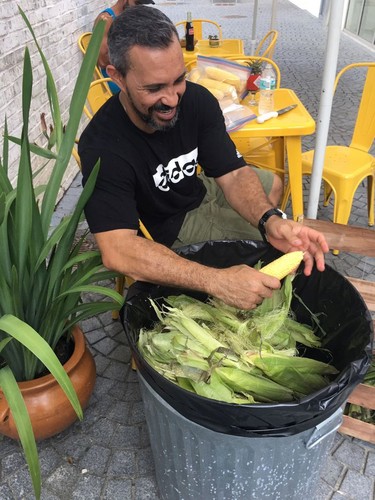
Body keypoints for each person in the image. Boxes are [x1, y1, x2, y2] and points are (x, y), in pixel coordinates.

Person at [79, 6, 329, 311]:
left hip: (197, 187)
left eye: (177, 80)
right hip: (166, 226)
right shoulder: (103, 144)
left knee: (271, 185)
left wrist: (270, 219)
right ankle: (234, 300)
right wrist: (218, 281)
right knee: (262, 248)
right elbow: (117, 250)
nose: (171, 99)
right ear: (116, 76)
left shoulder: (197, 100)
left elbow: (233, 173)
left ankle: (252, 261)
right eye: (154, 88)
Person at [94, 0, 155, 93]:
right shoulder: (107, 19)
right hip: (115, 78)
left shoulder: (129, 18)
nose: (138, 8)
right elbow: (102, 60)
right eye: (137, 3)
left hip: (131, 72)